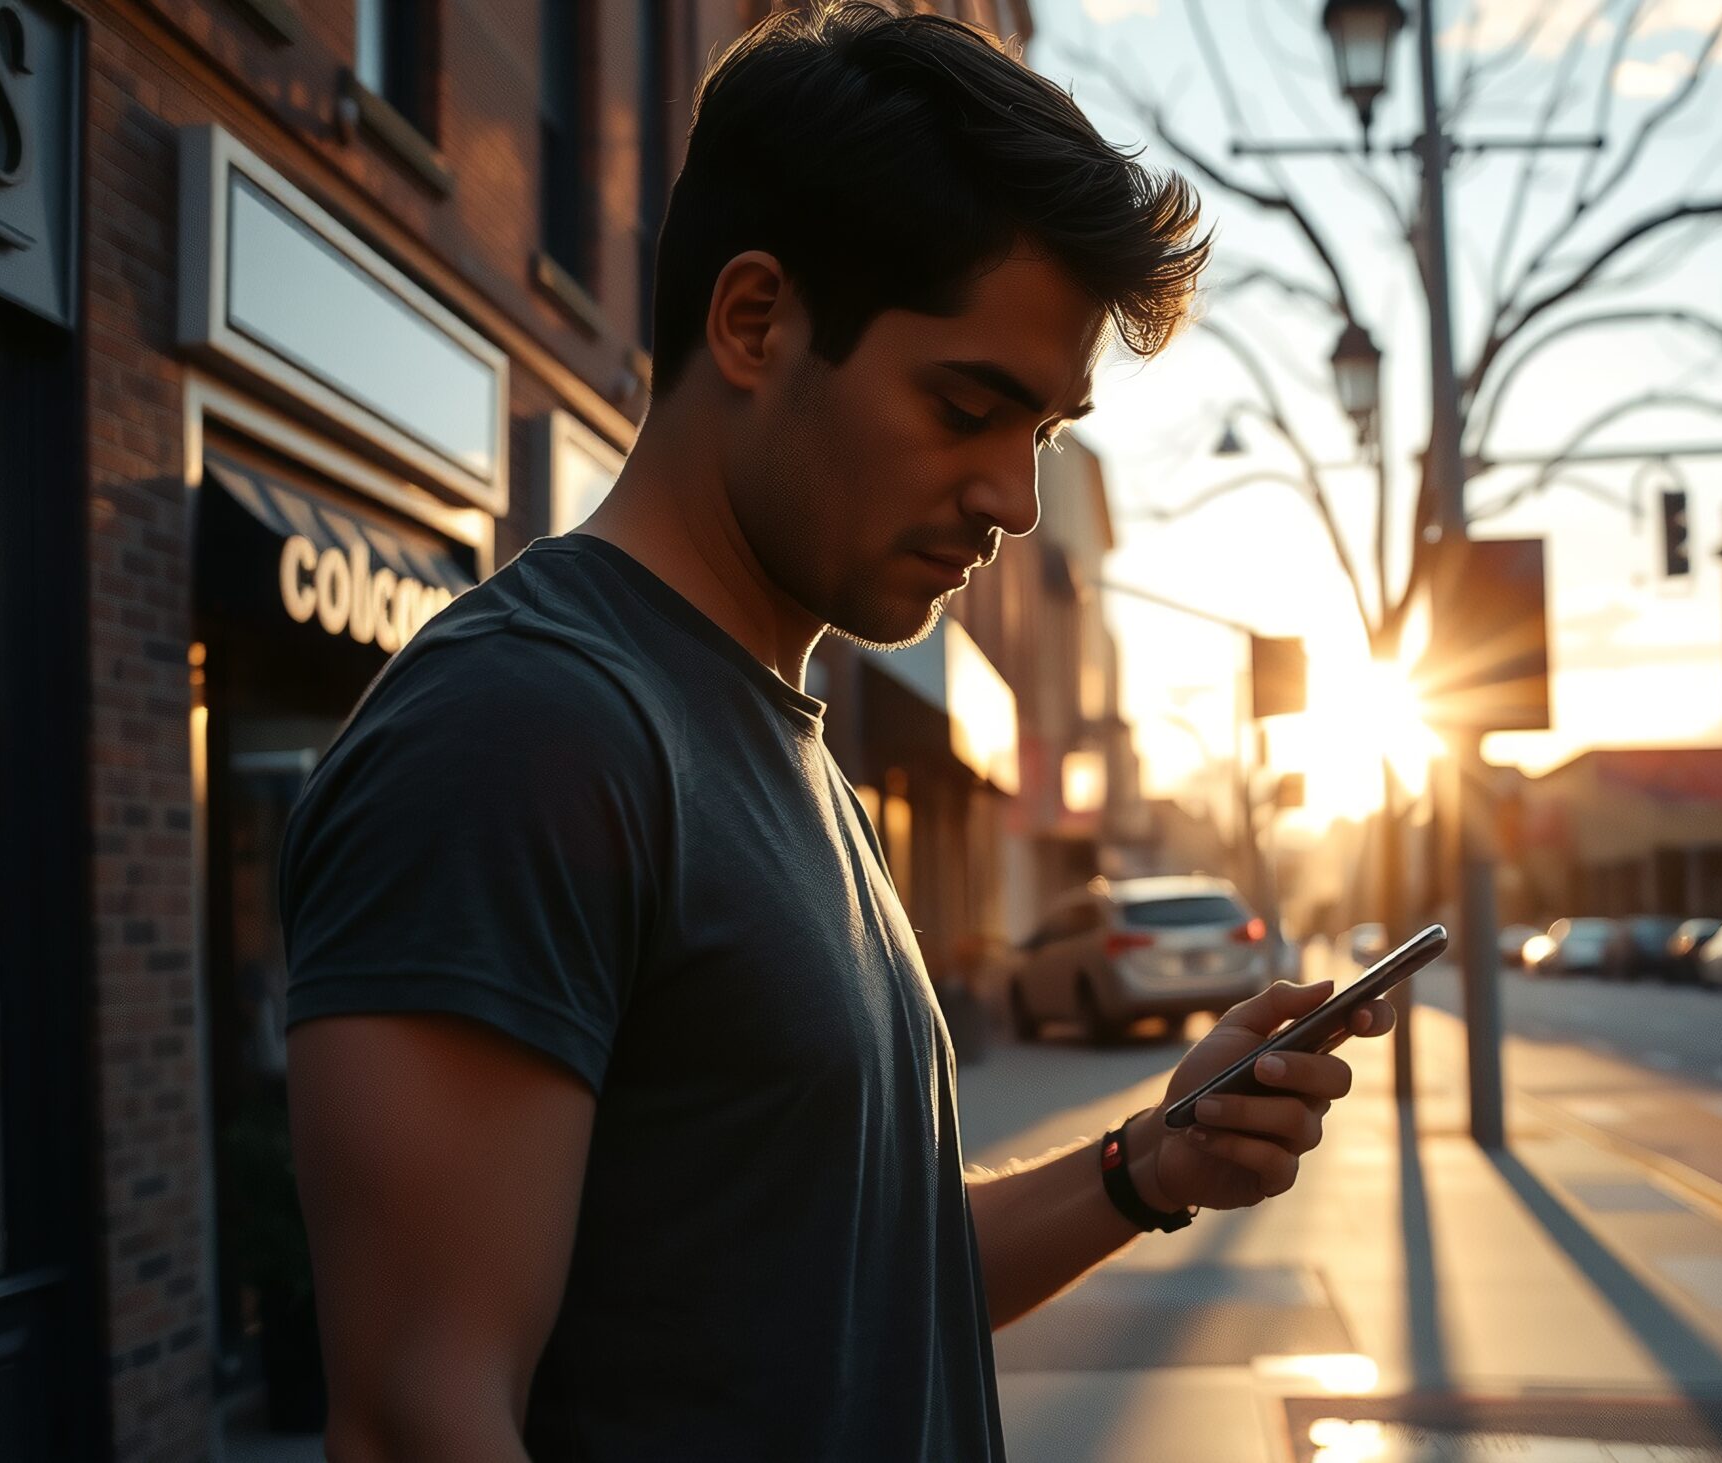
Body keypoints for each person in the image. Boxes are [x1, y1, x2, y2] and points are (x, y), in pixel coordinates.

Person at [278, 4, 1401, 1461]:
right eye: (967, 407)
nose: (1015, 500)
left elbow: (869, 1287)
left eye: (1045, 433)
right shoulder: (518, 734)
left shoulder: (780, 742)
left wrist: (1147, 1164)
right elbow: (423, 1418)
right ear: (754, 322)